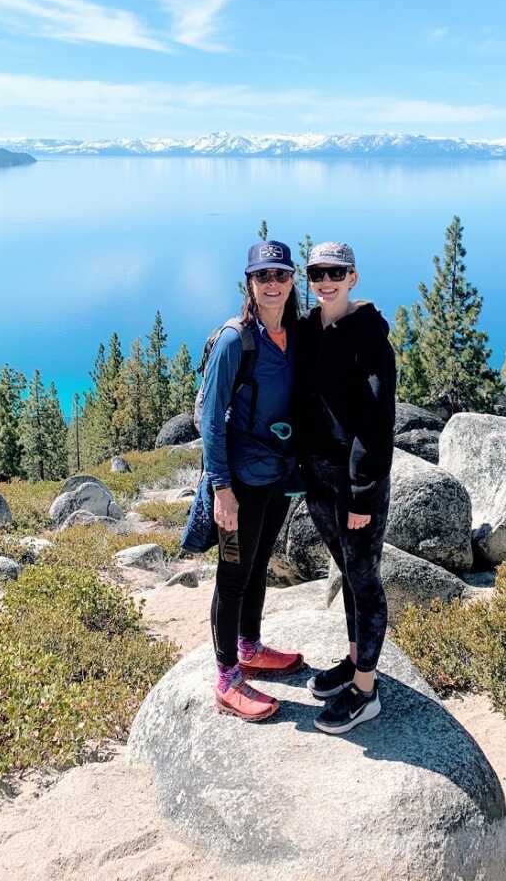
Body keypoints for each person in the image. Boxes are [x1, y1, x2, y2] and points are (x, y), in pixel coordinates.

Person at [201, 239, 304, 721]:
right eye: (263, 276)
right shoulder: (234, 340)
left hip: (278, 476)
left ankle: (250, 646)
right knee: (234, 573)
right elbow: (208, 415)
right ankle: (226, 677)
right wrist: (221, 489)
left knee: (259, 562)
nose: (272, 284)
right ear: (249, 282)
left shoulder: (296, 333)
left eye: (280, 275)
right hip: (239, 481)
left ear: (291, 281)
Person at [296, 241, 396, 734]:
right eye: (316, 273)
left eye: (336, 272)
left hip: (357, 488)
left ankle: (366, 690)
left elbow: (377, 423)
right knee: (346, 573)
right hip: (318, 482)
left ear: (353, 277)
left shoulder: (370, 336)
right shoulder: (309, 329)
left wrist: (361, 493)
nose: (325, 281)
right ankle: (356, 659)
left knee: (363, 580)